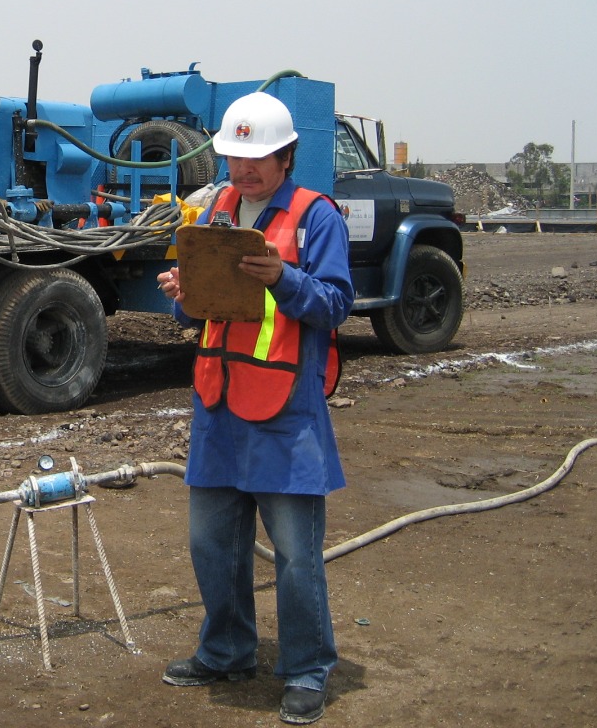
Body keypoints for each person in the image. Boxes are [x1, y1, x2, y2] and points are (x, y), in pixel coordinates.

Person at [156, 91, 353, 726]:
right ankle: (226, 651)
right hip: (218, 403)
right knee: (211, 542)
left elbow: (336, 304)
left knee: (296, 552)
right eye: (234, 159)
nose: (242, 171)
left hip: (286, 409)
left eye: (256, 159)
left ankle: (306, 669)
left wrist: (283, 278)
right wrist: (182, 293)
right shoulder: (217, 210)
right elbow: (196, 313)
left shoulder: (316, 217)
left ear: (286, 157)